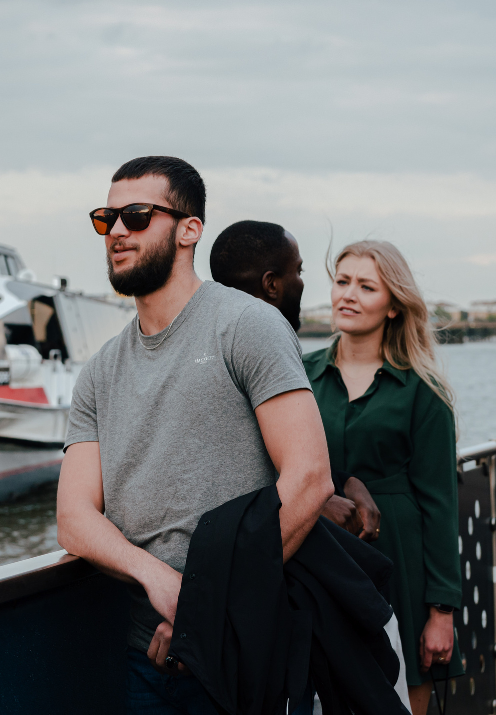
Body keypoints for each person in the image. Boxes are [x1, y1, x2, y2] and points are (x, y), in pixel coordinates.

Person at [57, 157, 334, 715]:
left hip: (244, 646)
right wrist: (155, 577)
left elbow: (309, 479)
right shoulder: (99, 371)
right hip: (146, 654)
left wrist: (205, 609)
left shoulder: (247, 325)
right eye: (106, 218)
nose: (116, 231)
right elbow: (74, 517)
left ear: (189, 230)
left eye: (136, 216)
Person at [302, 240, 463, 715]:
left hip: (401, 564)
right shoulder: (298, 375)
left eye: (366, 286)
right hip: (320, 559)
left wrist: (441, 611)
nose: (348, 295)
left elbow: (440, 505)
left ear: (393, 306)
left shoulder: (423, 390)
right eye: (342, 281)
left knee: (400, 700)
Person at [209, 220, 383, 542]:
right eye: (299, 272)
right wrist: (315, 504)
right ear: (272, 285)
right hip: (250, 551)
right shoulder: (263, 346)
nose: (302, 283)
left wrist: (344, 482)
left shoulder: (213, 344)